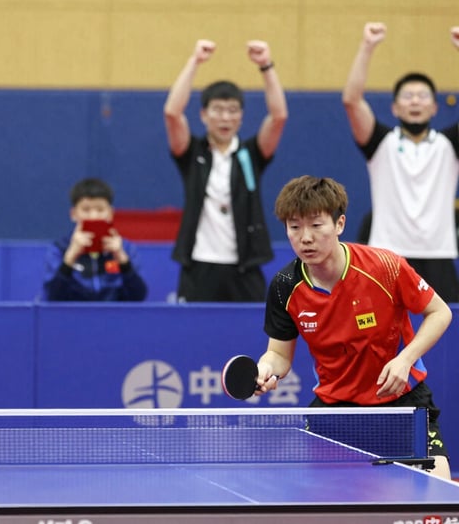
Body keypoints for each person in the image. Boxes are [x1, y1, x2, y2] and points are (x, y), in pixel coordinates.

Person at [255, 175, 452, 479]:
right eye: (294, 227)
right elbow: (278, 354)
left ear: (339, 224)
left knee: (437, 498)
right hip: (336, 412)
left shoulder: (385, 267)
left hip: (401, 403)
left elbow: (439, 312)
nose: (305, 237)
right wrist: (267, 368)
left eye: (316, 225)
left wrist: (405, 358)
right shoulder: (285, 286)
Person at [342, 22, 459, 302]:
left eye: (422, 96)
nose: (415, 101)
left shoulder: (449, 145)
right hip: (387, 256)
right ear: (395, 107)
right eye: (407, 96)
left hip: (438, 255)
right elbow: (351, 100)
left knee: (446, 337)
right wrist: (367, 46)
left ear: (434, 107)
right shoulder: (382, 143)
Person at [163, 39, 288, 302]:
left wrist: (266, 65)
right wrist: (194, 61)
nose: (225, 118)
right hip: (199, 266)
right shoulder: (192, 152)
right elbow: (172, 113)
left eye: (233, 111)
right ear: (204, 115)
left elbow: (278, 117)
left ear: (241, 117)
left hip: (244, 266)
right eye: (217, 110)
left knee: (251, 336)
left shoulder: (251, 154)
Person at [42, 177, 148, 301]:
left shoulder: (126, 249)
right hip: (73, 317)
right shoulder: (59, 249)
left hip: (113, 318)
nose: (94, 216)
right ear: (73, 214)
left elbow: (138, 297)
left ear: (110, 213)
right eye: (86, 210)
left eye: (100, 210)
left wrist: (122, 259)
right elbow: (53, 297)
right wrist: (70, 257)